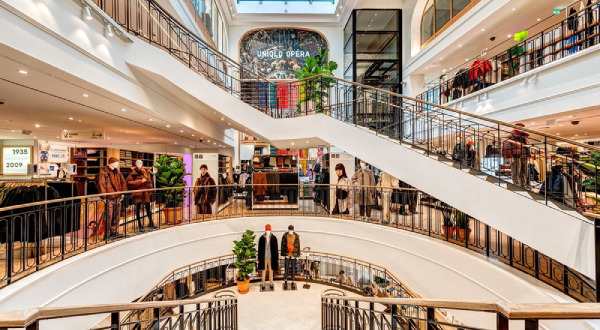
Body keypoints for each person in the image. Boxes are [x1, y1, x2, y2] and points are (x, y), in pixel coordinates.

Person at [96, 157, 127, 239]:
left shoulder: (118, 173)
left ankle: (114, 232)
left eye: (117, 162)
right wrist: (103, 196)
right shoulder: (103, 173)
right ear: (111, 163)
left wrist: (122, 193)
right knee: (109, 216)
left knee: (116, 216)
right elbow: (101, 185)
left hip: (117, 197)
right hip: (109, 197)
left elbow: (123, 183)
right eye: (115, 162)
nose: (116, 164)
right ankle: (107, 234)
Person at [126, 160, 157, 232]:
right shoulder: (133, 173)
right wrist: (140, 181)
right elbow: (129, 183)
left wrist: (151, 192)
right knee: (138, 209)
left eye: (140, 163)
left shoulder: (145, 172)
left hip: (146, 193)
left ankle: (151, 222)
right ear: (135, 164)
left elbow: (149, 182)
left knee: (148, 208)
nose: (139, 164)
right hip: (138, 194)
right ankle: (140, 225)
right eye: (137, 163)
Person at [502, 123, 530, 187]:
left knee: (524, 172)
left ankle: (523, 185)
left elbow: (527, 147)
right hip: (515, 156)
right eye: (519, 127)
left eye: (522, 128)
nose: (521, 129)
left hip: (524, 156)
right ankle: (516, 186)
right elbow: (505, 148)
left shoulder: (524, 137)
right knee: (516, 172)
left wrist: (528, 155)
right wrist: (509, 157)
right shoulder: (511, 136)